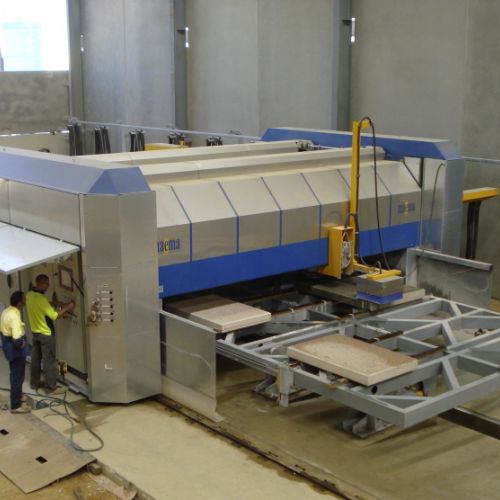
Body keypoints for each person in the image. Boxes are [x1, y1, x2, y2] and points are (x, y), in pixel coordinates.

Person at [26, 274, 75, 395]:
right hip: (46, 334)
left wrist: (54, 302)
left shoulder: (29, 295)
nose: (48, 287)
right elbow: (54, 316)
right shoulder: (41, 299)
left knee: (36, 359)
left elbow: (41, 305)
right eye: (47, 284)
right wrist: (68, 307)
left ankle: (34, 382)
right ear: (41, 283)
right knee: (49, 360)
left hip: (35, 333)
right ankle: (51, 387)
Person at [0, 291, 30, 413]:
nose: (25, 300)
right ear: (19, 303)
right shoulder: (14, 316)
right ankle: (16, 405)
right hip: (15, 349)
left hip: (6, 344)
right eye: (24, 299)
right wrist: (22, 343)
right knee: (17, 376)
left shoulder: (7, 311)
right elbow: (17, 339)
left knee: (15, 373)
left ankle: (18, 395)